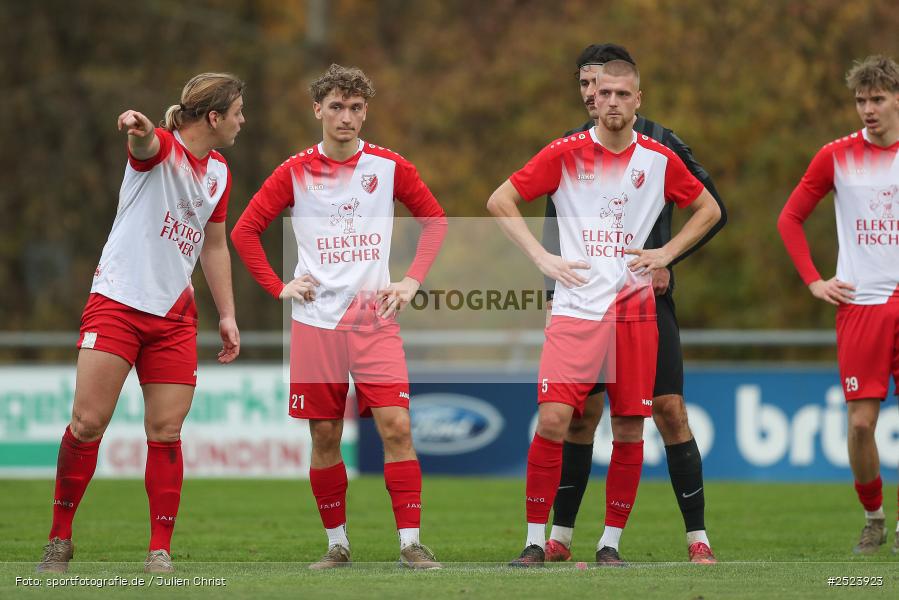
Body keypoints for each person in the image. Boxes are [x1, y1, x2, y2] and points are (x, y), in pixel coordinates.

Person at [488, 59, 720, 567]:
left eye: (622, 93)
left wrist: (666, 253)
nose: (611, 101)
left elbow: (710, 209)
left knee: (631, 428)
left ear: (638, 100)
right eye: (604, 93)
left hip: (634, 311)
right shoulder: (565, 153)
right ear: (594, 99)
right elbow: (500, 200)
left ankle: (609, 544)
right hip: (575, 309)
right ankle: (534, 539)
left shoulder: (660, 158)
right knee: (553, 420)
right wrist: (542, 259)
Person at [230, 64, 447, 570]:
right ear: (318, 111)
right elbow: (245, 231)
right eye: (336, 107)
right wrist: (279, 286)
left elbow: (435, 220)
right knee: (325, 435)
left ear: (365, 111)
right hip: (315, 325)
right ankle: (337, 546)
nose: (345, 117)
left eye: (354, 108)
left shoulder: (390, 166)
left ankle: (410, 544)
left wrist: (412, 280)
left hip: (375, 322)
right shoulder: (294, 170)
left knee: (397, 428)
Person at [36, 73, 245, 574]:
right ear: (214, 117)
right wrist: (137, 127)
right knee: (87, 424)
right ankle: (59, 539)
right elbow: (145, 143)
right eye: (238, 111)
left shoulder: (220, 172)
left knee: (167, 430)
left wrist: (229, 315)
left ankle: (160, 550)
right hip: (118, 304)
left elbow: (214, 245)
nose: (242, 120)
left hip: (173, 317)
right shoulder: (163, 149)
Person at [778, 54, 899, 556]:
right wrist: (813, 280)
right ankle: (874, 520)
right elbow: (789, 219)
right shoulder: (835, 156)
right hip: (860, 306)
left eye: (877, 99)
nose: (867, 109)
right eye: (860, 100)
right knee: (860, 424)